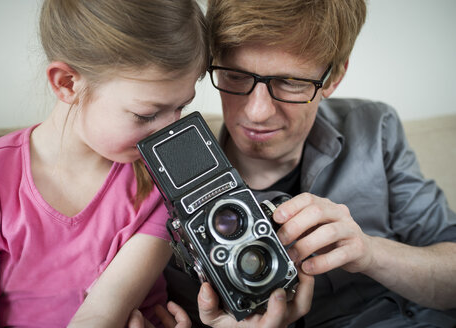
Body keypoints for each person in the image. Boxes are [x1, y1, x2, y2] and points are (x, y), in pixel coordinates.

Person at [160, 0, 456, 327]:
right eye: (235, 75)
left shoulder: (375, 127)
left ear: (334, 76)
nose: (257, 112)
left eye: (289, 82)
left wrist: (371, 253)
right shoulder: (164, 179)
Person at [0, 0, 209, 326]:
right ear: (67, 83)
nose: (167, 133)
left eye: (180, 108)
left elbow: (99, 317)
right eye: (146, 115)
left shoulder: (166, 178)